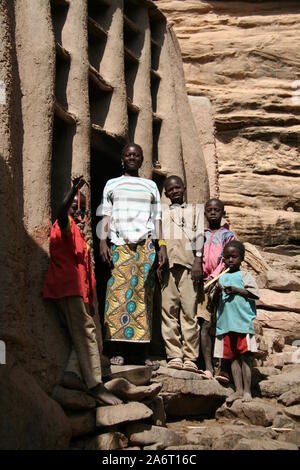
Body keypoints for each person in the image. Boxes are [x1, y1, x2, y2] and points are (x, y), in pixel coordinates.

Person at [43, 176, 121, 405]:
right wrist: (72, 192)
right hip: (68, 289)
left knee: (84, 333)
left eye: (82, 210)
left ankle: (71, 373)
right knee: (87, 332)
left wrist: (89, 299)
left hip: (77, 292)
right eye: (74, 209)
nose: (79, 214)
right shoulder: (63, 226)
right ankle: (95, 384)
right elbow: (60, 213)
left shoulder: (79, 234)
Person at [97, 143, 168, 367]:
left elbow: (156, 218)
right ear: (122, 158)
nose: (132, 157)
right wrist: (102, 241)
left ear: (142, 159)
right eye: (128, 154)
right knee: (117, 295)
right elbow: (106, 215)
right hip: (119, 244)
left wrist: (162, 245)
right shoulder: (112, 184)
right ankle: (116, 350)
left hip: (145, 246)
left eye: (136, 155)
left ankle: (143, 353)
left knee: (143, 295)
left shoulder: (150, 186)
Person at [160, 176, 203, 372]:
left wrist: (197, 261)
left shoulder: (195, 210)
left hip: (188, 266)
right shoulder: (161, 212)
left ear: (184, 189)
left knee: (189, 312)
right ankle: (174, 355)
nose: (175, 191)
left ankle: (190, 357)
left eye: (178, 187)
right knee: (168, 311)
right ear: (166, 193)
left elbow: (200, 237)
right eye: (171, 189)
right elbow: (157, 238)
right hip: (168, 267)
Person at [214, 241, 259, 404]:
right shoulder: (222, 277)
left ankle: (247, 391)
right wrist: (218, 290)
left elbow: (254, 294)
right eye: (227, 258)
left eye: (234, 257)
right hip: (226, 324)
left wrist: (236, 290)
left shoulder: (245, 276)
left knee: (245, 357)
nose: (230, 260)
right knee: (232, 358)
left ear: (242, 258)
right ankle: (238, 390)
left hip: (242, 323)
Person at [197, 198, 235, 380]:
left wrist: (216, 277)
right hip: (203, 284)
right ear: (205, 213)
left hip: (220, 283)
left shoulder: (228, 235)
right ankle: (208, 367)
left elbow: (227, 260)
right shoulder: (201, 234)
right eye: (209, 210)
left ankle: (224, 368)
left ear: (222, 213)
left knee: (222, 326)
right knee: (204, 324)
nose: (213, 213)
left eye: (217, 210)